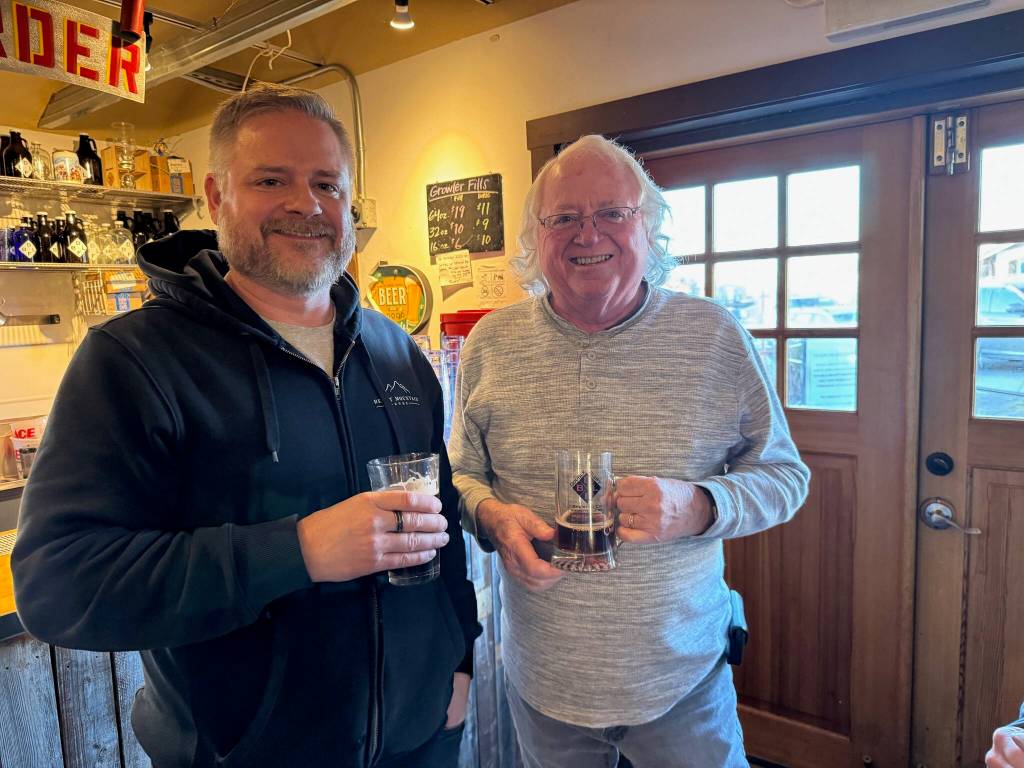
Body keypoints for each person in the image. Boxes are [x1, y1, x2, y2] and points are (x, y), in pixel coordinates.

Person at [12, 83, 480, 768]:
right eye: (271, 179)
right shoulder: (135, 360)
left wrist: (460, 664)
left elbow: (440, 527)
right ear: (215, 195)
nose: (306, 204)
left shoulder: (396, 351)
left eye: (327, 183)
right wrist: (300, 551)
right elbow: (58, 585)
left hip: (421, 741)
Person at [448, 134, 810, 768]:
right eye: (564, 218)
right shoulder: (490, 343)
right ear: (537, 238)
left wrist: (698, 505)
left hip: (683, 682)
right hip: (545, 684)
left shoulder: (713, 337)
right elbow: (460, 474)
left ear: (649, 229)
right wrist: (490, 517)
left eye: (612, 212)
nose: (589, 234)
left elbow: (785, 476)